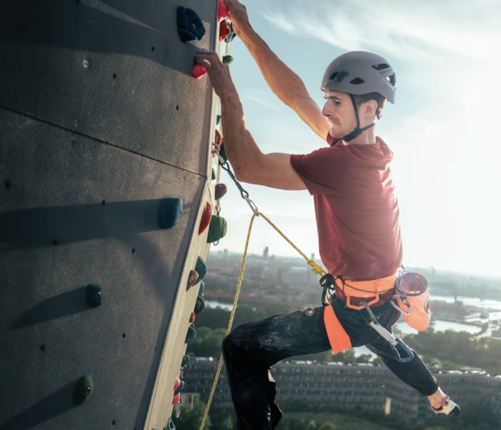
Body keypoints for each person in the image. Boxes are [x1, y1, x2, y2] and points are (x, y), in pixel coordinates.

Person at [194, 1, 459, 428]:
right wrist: (243, 27)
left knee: (241, 347)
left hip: (356, 312)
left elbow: (249, 167)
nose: (326, 110)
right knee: (386, 344)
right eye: (328, 100)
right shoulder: (373, 152)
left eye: (335, 101)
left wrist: (228, 92)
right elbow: (296, 96)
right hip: (380, 301)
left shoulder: (343, 165)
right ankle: (436, 396)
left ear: (369, 109)